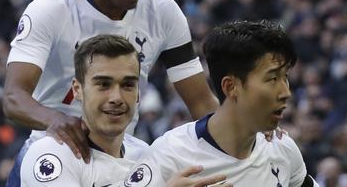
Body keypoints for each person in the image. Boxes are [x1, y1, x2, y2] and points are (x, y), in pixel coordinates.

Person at [3, 0, 218, 185]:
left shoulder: (165, 12)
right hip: (55, 147)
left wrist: (244, 133)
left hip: (121, 153)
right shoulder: (50, 9)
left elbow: (201, 101)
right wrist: (54, 119)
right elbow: (13, 97)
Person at [122, 20, 320, 187]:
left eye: (285, 77)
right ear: (231, 86)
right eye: (272, 79)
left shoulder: (282, 149)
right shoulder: (170, 156)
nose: (286, 92)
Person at [20, 34, 230, 187]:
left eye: (128, 85)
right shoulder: (50, 154)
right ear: (78, 90)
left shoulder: (146, 155)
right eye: (103, 84)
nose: (116, 98)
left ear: (139, 92)